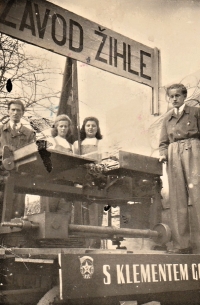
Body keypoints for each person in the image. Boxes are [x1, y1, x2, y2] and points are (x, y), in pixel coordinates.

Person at [159, 83, 200, 254]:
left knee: (197, 194)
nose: (174, 99)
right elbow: (162, 143)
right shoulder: (167, 119)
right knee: (177, 199)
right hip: (173, 153)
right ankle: (182, 244)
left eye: (177, 95)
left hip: (193, 150)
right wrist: (163, 153)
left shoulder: (195, 112)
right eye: (171, 96)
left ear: (184, 96)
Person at [0, 99, 36, 218]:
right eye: (13, 110)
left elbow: (32, 154)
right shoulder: (1, 130)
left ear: (22, 113)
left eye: (18, 110)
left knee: (17, 211)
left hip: (20, 176)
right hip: (2, 174)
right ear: (8, 111)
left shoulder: (29, 133)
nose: (15, 112)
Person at [73, 117, 105, 248]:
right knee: (81, 212)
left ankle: (94, 243)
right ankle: (82, 244)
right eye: (88, 126)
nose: (91, 128)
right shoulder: (77, 144)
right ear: (84, 128)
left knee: (95, 212)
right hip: (81, 180)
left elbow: (103, 161)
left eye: (93, 126)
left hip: (96, 180)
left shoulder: (101, 143)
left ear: (97, 128)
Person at [40, 114, 73, 219]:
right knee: (49, 214)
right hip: (52, 182)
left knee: (64, 213)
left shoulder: (71, 146)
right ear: (56, 127)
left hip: (67, 183)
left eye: (66, 126)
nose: (63, 128)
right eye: (61, 126)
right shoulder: (51, 141)